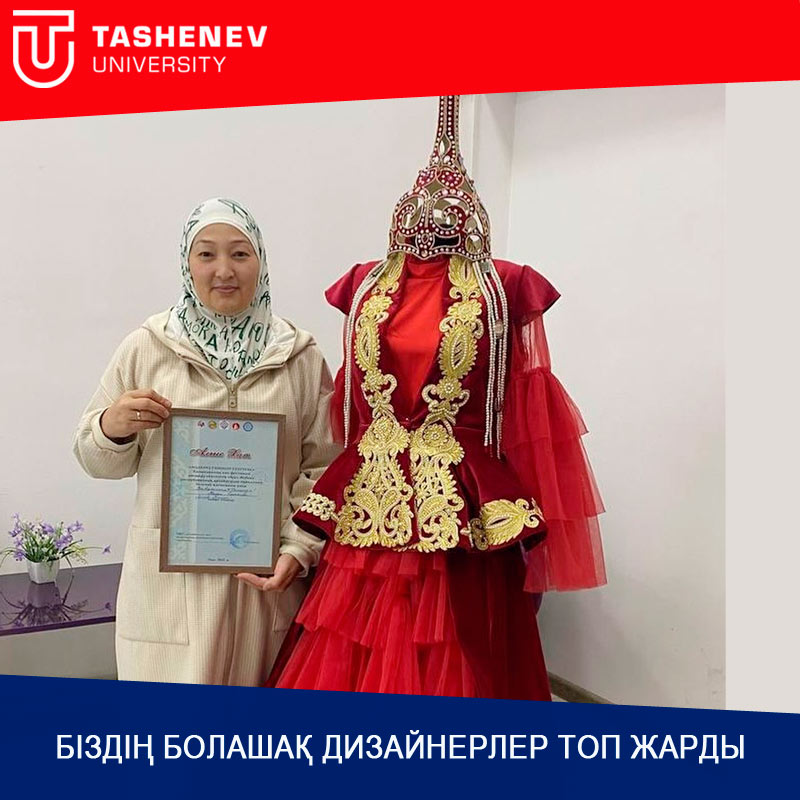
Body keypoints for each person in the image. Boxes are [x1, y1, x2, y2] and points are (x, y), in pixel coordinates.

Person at [267, 97, 607, 699]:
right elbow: (351, 404)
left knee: (459, 653)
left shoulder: (506, 283)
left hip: (461, 498)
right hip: (371, 496)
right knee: (355, 654)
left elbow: (528, 408)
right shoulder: (364, 282)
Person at [73, 197, 339, 684]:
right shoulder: (148, 347)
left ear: (261, 261)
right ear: (186, 263)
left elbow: (325, 467)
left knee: (251, 729)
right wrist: (113, 425)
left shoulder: (299, 357)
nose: (224, 270)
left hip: (262, 590)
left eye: (239, 253)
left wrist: (298, 549)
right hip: (167, 597)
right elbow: (96, 460)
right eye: (206, 254)